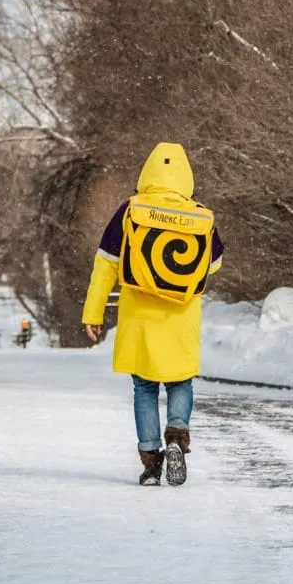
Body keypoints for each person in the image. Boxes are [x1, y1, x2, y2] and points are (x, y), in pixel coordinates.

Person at [81, 142, 223, 486]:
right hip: (180, 316)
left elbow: (106, 265)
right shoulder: (199, 215)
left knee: (144, 387)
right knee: (180, 379)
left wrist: (94, 312)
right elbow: (213, 264)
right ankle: (177, 434)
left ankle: (151, 462)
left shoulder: (130, 210)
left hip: (139, 315)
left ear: (148, 172)